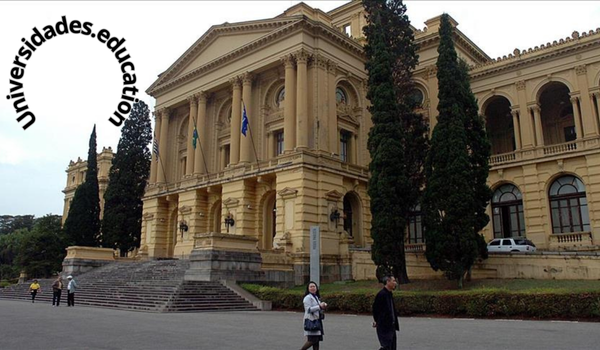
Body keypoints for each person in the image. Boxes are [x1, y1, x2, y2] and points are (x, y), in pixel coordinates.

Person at [372, 275, 399, 350]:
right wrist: (376, 320)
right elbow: (375, 309)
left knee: (392, 347)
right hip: (384, 326)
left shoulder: (389, 294)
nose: (395, 283)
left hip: (391, 326)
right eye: (393, 281)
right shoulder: (381, 294)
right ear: (388, 282)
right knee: (386, 347)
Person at [300, 281, 327, 350]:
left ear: (316, 288)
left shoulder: (316, 297)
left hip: (317, 320)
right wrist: (320, 306)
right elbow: (308, 310)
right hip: (311, 321)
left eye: (314, 286)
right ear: (308, 289)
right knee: (312, 340)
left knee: (316, 341)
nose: (312, 288)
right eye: (311, 287)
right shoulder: (307, 298)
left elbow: (318, 308)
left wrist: (322, 306)